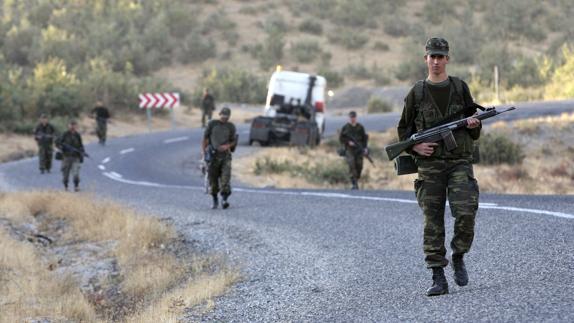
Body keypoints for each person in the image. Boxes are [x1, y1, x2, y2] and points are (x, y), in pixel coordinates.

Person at [397, 37, 481, 296]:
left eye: (440, 56)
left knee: (466, 212)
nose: (435, 61)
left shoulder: (459, 87)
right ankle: (438, 276)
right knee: (432, 221)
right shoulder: (417, 92)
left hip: (459, 162)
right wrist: (414, 147)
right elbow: (404, 130)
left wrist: (475, 125)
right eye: (431, 56)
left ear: (447, 59)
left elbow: (474, 129)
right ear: (426, 59)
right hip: (430, 166)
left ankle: (458, 256)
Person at [202, 107, 237, 209]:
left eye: (226, 116)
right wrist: (203, 153)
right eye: (223, 115)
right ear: (219, 114)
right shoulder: (212, 124)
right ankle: (215, 199)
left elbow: (234, 140)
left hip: (225, 156)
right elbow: (205, 138)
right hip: (213, 157)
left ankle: (224, 200)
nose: (224, 118)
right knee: (213, 181)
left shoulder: (231, 126)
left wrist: (227, 146)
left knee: (225, 179)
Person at [339, 111, 368, 190]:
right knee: (351, 164)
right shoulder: (345, 127)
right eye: (351, 117)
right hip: (349, 149)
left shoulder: (360, 127)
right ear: (349, 118)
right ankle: (354, 183)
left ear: (356, 118)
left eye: (354, 117)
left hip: (359, 149)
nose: (352, 119)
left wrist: (365, 148)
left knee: (359, 165)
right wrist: (348, 142)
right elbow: (341, 138)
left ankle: (356, 178)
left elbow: (365, 138)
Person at [56, 120, 86, 192]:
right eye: (71, 125)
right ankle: (66, 187)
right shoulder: (64, 134)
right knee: (65, 174)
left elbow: (81, 145)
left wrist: (81, 151)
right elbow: (57, 143)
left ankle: (76, 186)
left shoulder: (77, 135)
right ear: (68, 126)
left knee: (76, 173)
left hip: (75, 157)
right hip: (66, 157)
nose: (72, 127)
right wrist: (61, 147)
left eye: (74, 125)